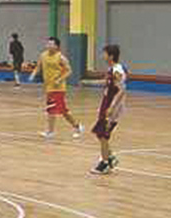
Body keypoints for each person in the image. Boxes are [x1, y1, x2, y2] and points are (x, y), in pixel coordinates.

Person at [30, 36, 83, 139]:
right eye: (48, 44)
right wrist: (33, 74)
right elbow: (38, 67)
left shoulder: (61, 57)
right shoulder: (43, 55)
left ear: (57, 46)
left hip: (58, 88)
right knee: (62, 111)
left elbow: (69, 71)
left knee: (52, 109)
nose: (48, 46)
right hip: (49, 87)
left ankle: (51, 132)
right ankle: (77, 127)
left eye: (51, 44)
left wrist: (59, 79)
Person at [91, 44, 127, 175]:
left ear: (111, 56)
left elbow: (122, 90)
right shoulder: (111, 69)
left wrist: (112, 107)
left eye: (104, 54)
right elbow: (106, 82)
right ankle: (110, 157)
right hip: (106, 103)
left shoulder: (117, 71)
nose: (103, 56)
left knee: (103, 135)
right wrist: (88, 82)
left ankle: (105, 163)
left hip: (113, 106)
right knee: (100, 133)